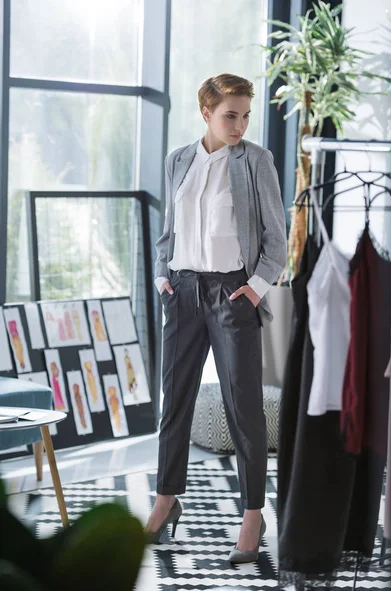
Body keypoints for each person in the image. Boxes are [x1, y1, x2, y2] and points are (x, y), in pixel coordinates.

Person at [145, 73, 287, 563]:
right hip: (181, 291)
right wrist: (163, 275)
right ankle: (167, 498)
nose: (240, 124)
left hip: (233, 292)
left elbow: (277, 238)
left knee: (243, 407)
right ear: (205, 112)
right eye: (231, 115)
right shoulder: (178, 160)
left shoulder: (256, 162)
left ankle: (252, 513)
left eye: (247, 114)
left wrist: (254, 290)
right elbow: (169, 232)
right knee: (174, 401)